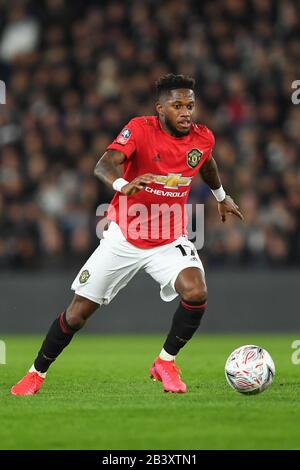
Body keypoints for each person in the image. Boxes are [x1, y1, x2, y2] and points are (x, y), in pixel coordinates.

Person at [11, 74, 243, 395]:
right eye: (177, 105)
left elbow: (204, 161)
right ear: (160, 108)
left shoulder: (202, 137)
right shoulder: (140, 128)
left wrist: (221, 196)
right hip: (124, 236)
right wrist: (123, 185)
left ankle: (165, 362)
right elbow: (104, 164)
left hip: (169, 239)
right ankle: (36, 373)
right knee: (77, 315)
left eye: (190, 105)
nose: (186, 112)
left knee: (196, 292)